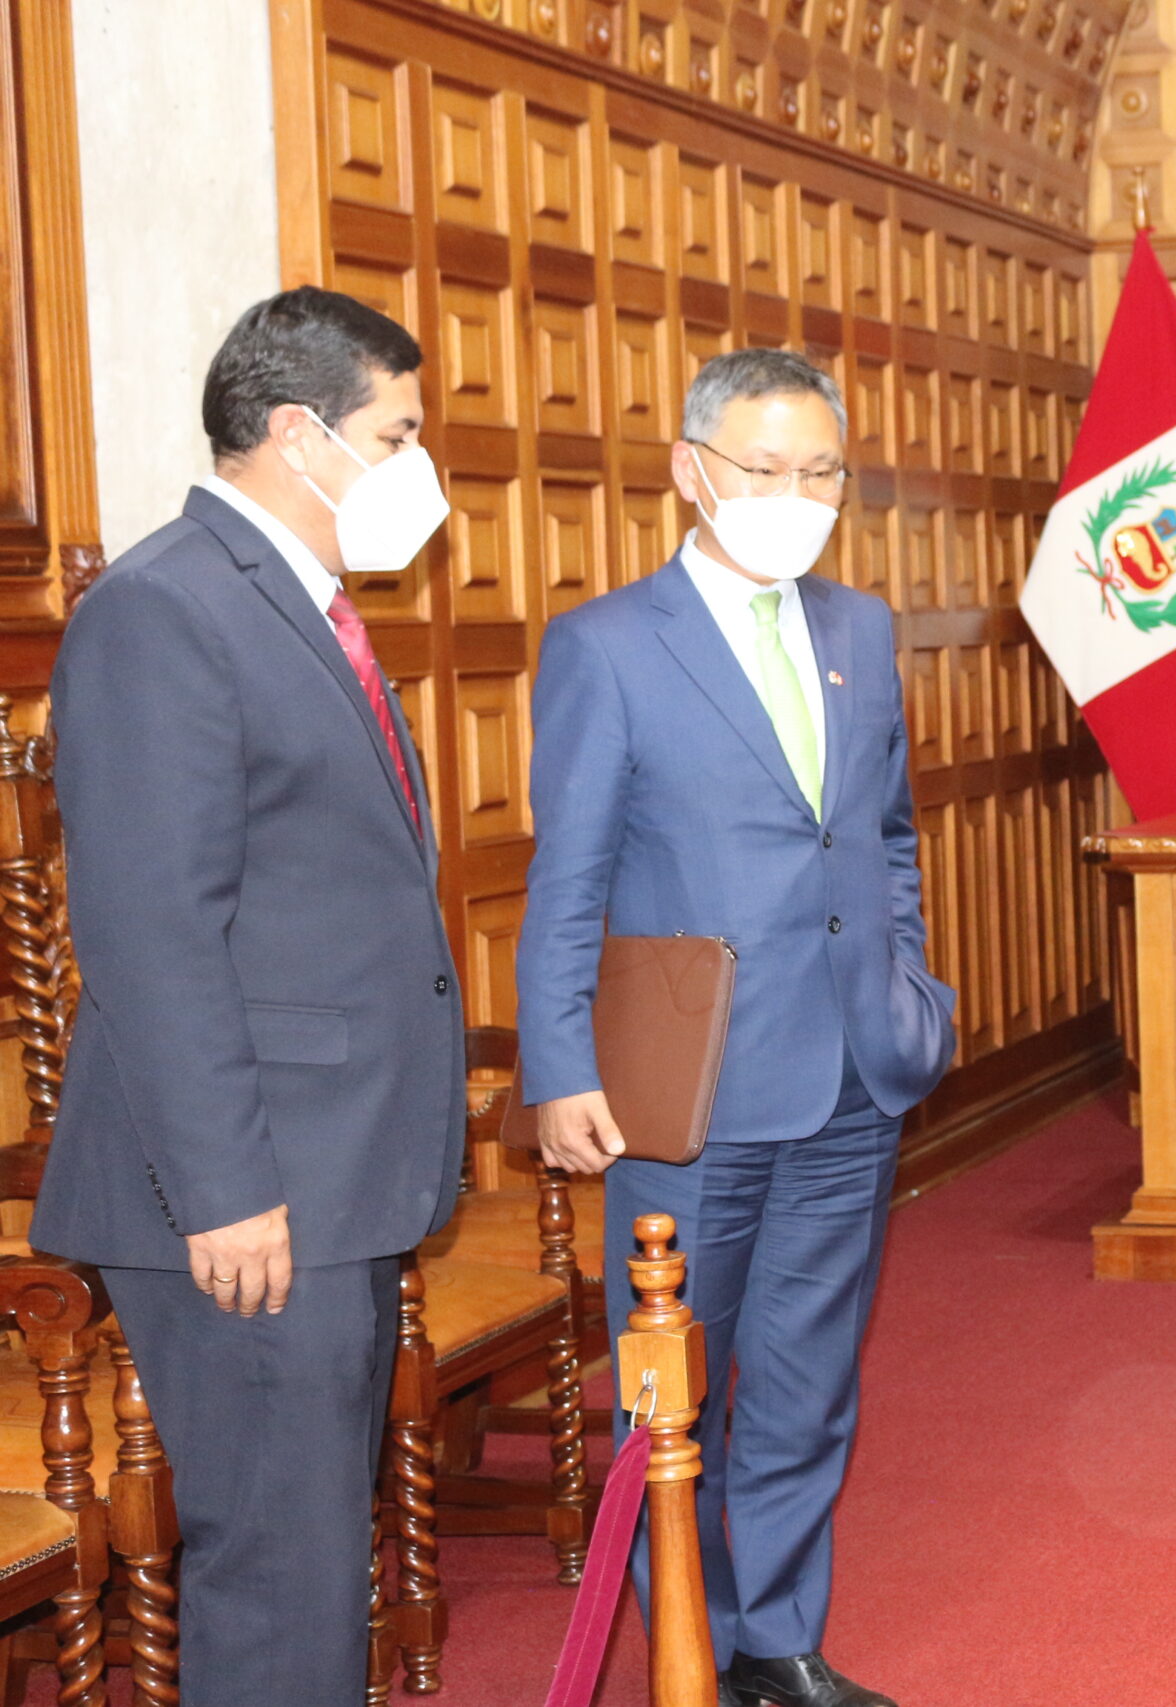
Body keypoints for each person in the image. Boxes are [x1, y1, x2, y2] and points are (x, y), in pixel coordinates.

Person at [35, 286, 463, 1703]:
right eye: (396, 435)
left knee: (311, 1559)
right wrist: (224, 1192)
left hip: (330, 1169)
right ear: (298, 433)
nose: (417, 466)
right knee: (280, 1575)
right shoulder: (163, 608)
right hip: (247, 1190)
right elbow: (151, 934)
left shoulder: (296, 602)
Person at [516, 347, 955, 1707]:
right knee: (675, 1390)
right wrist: (559, 1065)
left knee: (809, 1384)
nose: (796, 497)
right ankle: (691, 1651)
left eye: (821, 472)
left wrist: (911, 989)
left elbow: (884, 837)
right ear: (692, 472)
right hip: (692, 1089)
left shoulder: (860, 629)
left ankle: (777, 1639)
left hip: (853, 1072)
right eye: (766, 469)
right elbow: (569, 876)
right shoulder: (607, 645)